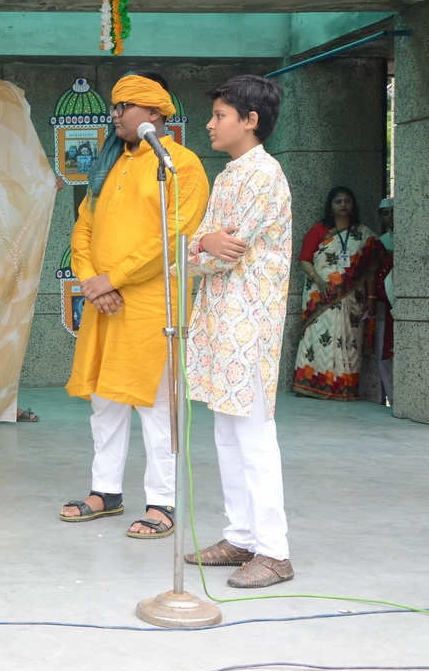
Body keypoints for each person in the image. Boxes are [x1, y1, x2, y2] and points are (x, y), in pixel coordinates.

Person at [60, 72, 209, 539]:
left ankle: (162, 502)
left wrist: (115, 278)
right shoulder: (109, 164)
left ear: (155, 112)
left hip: (151, 306)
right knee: (105, 402)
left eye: (125, 106)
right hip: (104, 303)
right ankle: (105, 492)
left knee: (156, 406)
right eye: (115, 106)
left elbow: (174, 236)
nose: (116, 114)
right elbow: (83, 228)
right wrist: (92, 281)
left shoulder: (180, 165)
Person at [182, 75, 294, 588]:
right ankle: (241, 536)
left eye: (220, 115)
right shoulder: (230, 175)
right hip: (219, 322)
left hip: (248, 322)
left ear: (251, 121)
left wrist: (200, 245)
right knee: (227, 434)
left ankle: (274, 551)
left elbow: (225, 252)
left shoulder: (264, 175)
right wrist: (201, 243)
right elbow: (203, 248)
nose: (210, 124)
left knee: (253, 436)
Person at [291, 186, 384, 401]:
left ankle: (344, 388)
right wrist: (319, 280)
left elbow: (371, 268)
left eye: (347, 201)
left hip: (352, 299)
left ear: (353, 205)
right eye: (338, 201)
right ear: (330, 206)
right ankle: (313, 385)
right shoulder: (319, 230)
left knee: (349, 340)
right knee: (318, 339)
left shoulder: (364, 234)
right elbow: (304, 259)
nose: (343, 205)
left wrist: (371, 298)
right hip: (321, 297)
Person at [375, 197, 394, 406]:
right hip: (383, 305)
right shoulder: (380, 241)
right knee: (383, 353)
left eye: (394, 211)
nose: (391, 217)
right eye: (386, 213)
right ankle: (392, 398)